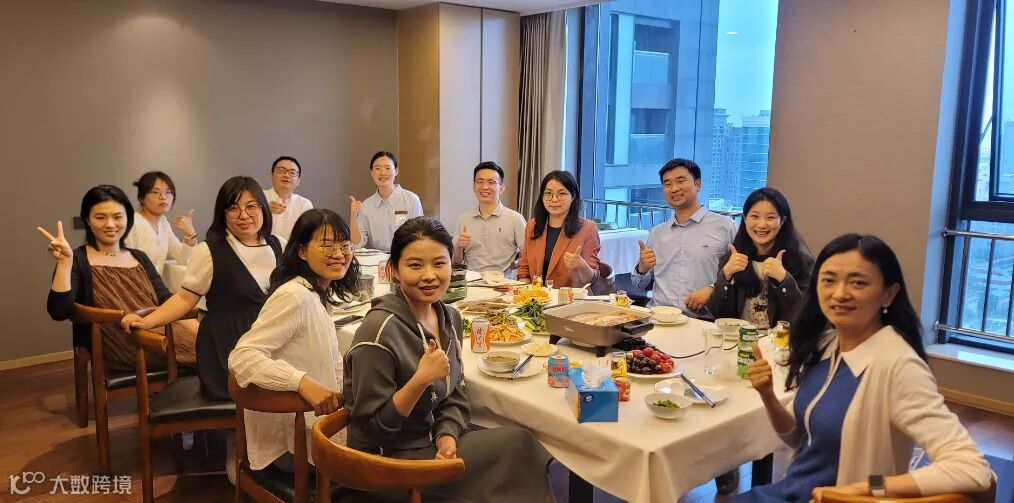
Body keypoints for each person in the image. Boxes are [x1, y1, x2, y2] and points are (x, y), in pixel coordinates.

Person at [738, 234, 992, 502]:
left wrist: (868, 488)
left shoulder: (899, 365)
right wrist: (768, 395)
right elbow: (800, 439)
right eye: (829, 280)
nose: (839, 293)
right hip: (791, 491)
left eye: (858, 282)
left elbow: (971, 467)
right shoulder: (826, 344)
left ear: (888, 294)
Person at [344, 217, 553, 502]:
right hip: (388, 464)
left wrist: (448, 435)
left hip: (429, 443)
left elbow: (454, 394)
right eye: (415, 265)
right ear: (393, 270)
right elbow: (372, 429)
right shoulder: (378, 332)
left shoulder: (448, 317)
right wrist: (419, 381)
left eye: (439, 263)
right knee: (518, 449)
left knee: (519, 450)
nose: (429, 275)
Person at [121, 176, 283, 400]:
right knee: (264, 393)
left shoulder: (278, 245)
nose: (243, 215)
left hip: (271, 341)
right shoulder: (210, 251)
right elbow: (185, 298)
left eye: (251, 207)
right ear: (222, 214)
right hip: (229, 345)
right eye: (233, 208)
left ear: (263, 209)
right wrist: (148, 321)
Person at [229, 209, 359, 473]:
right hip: (292, 447)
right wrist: (301, 382)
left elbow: (330, 362)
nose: (339, 253)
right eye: (326, 245)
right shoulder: (294, 296)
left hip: (310, 430)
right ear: (302, 252)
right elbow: (241, 357)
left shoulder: (314, 294)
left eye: (345, 245)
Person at [42, 185, 196, 369]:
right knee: (211, 352)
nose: (110, 224)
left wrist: (198, 329)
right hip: (125, 344)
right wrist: (64, 263)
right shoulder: (78, 259)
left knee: (211, 342)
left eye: (117, 217)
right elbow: (58, 311)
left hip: (159, 331)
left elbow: (164, 299)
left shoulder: (139, 256)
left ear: (128, 218)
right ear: (88, 220)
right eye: (100, 217)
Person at [631, 158, 736, 316]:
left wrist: (713, 289)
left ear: (698, 184)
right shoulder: (657, 233)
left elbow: (744, 276)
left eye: (680, 181)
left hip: (704, 320)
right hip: (658, 317)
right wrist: (642, 269)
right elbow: (638, 285)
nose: (674, 189)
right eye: (667, 184)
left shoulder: (727, 227)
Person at [707, 188, 814, 327]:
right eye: (755, 216)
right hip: (738, 338)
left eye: (770, 217)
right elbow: (716, 313)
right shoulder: (732, 259)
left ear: (782, 221)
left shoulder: (802, 261)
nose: (762, 225)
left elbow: (806, 316)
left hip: (778, 339)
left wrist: (784, 280)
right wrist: (726, 276)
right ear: (745, 219)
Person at [517, 170, 601, 288]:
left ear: (573, 197)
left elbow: (592, 280)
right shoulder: (532, 225)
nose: (554, 199)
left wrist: (581, 265)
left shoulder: (588, 228)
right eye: (548, 193)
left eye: (562, 194)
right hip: (536, 296)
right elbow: (523, 270)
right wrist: (525, 292)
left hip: (570, 297)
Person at [451, 161, 526, 276]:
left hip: (503, 282)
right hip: (471, 281)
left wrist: (514, 265)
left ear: (501, 189)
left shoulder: (515, 219)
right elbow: (456, 262)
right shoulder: (463, 219)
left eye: (491, 182)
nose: (484, 187)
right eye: (479, 182)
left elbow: (527, 255)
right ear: (473, 187)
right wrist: (459, 247)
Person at [124, 171, 198, 277]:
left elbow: (183, 259)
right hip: (136, 285)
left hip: (156, 286)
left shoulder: (163, 223)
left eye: (168, 192)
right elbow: (126, 266)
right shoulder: (132, 222)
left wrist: (190, 234)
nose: (163, 197)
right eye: (155, 192)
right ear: (141, 198)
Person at [350, 151, 424, 252]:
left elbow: (420, 236)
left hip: (406, 256)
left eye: (387, 168)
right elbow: (357, 244)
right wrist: (353, 215)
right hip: (378, 259)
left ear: (396, 171)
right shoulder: (366, 206)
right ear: (371, 173)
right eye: (377, 168)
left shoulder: (411, 200)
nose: (383, 173)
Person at [263, 156, 313, 242]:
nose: (286, 175)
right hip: (261, 248)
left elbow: (308, 235)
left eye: (292, 172)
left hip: (292, 250)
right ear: (271, 175)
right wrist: (263, 211)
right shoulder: (258, 196)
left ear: (298, 180)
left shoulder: (304, 204)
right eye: (281, 170)